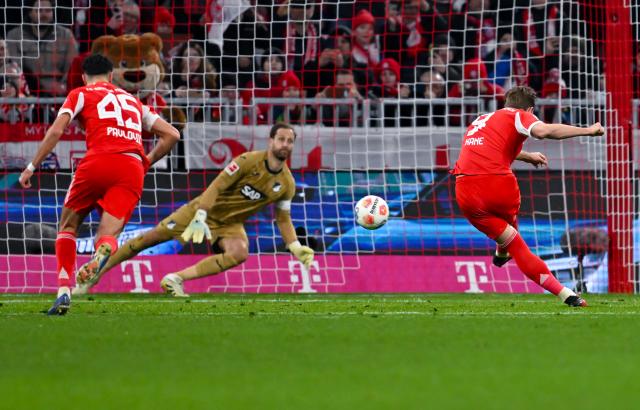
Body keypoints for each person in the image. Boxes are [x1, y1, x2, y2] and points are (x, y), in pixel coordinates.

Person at [18, 54, 180, 315]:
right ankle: (102, 251)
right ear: (112, 76)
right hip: (130, 167)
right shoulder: (133, 101)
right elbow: (172, 134)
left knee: (68, 226)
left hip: (98, 161)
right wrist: (145, 162)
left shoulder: (80, 93)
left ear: (84, 77)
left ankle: (63, 290)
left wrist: (31, 167)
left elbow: (57, 130)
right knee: (107, 236)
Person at [73, 123, 315, 297]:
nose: (285, 144)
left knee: (240, 253)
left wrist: (294, 246)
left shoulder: (286, 184)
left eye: (290, 141)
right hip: (201, 211)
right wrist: (200, 215)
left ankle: (175, 279)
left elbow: (283, 218)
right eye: (281, 139)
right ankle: (95, 273)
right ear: (271, 141)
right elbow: (216, 186)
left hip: (230, 225)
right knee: (149, 239)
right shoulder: (247, 161)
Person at [452, 85, 604, 307]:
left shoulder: (481, 119)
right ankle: (508, 253)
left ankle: (565, 294)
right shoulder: (519, 115)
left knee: (510, 238)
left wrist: (526, 156)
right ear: (530, 110)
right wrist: (588, 130)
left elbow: (492, 150)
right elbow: (545, 132)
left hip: (464, 189)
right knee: (515, 236)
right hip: (495, 184)